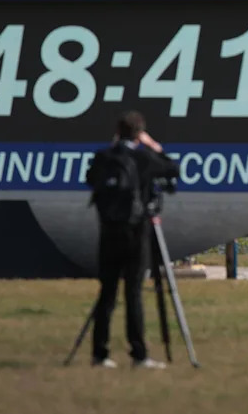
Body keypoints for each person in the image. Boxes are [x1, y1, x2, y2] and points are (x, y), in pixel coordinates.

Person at [89, 111, 180, 369]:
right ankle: (138, 354)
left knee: (107, 293)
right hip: (136, 231)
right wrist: (155, 148)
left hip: (108, 232)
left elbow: (90, 180)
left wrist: (112, 149)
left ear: (117, 133)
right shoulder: (144, 157)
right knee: (133, 293)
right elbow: (173, 169)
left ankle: (100, 353)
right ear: (139, 134)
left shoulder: (103, 157)